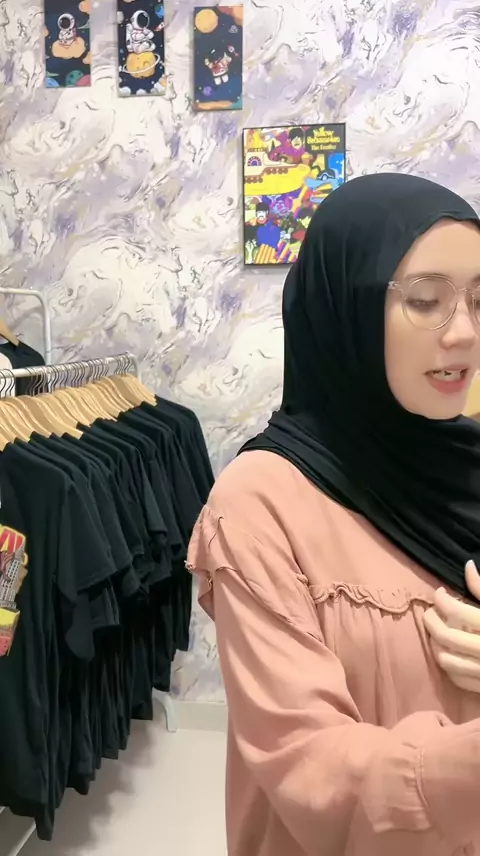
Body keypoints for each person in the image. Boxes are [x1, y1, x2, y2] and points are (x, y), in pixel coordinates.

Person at [187, 173, 480, 855]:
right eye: (427, 301)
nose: (465, 332)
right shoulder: (259, 506)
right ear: (344, 309)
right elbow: (310, 765)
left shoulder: (467, 466)